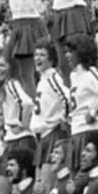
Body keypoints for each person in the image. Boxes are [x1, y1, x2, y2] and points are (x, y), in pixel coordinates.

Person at [65, 33, 98, 172]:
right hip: (75, 132)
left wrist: (93, 112)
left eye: (71, 52)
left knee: (86, 176)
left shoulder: (90, 73)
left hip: (89, 132)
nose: (67, 56)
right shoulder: (73, 76)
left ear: (81, 52)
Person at [31, 41, 71, 183]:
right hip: (43, 137)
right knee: (39, 189)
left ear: (51, 59)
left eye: (42, 55)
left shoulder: (53, 78)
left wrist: (63, 119)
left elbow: (67, 98)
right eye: (36, 55)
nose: (37, 58)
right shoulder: (42, 80)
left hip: (52, 135)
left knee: (46, 188)